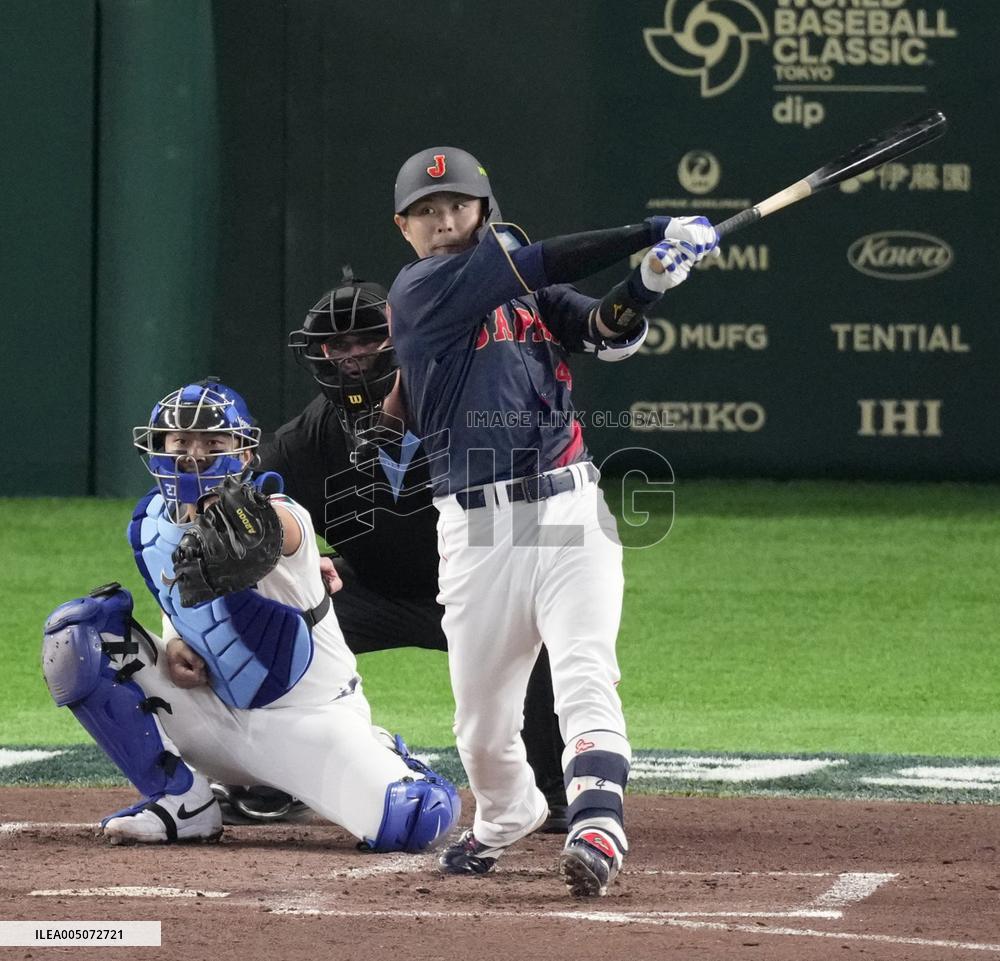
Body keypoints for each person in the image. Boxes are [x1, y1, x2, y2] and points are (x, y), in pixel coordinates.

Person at [387, 146, 719, 896]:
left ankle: (598, 823)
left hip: (569, 506)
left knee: (583, 668)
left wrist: (653, 280)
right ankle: (507, 812)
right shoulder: (421, 291)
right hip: (475, 531)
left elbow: (605, 326)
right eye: (427, 212)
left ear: (484, 209)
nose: (444, 221)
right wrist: (649, 229)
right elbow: (537, 262)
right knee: (480, 728)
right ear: (404, 229)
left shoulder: (528, 292)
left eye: (459, 206)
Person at [41, 380, 459, 851]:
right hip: (212, 719)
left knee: (415, 819)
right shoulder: (152, 523)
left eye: (213, 443)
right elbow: (178, 603)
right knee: (76, 634)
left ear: (243, 455)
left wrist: (238, 520)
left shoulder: (278, 513)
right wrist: (176, 643)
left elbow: (269, 530)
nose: (194, 456)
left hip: (308, 724)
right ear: (159, 448)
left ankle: (379, 752)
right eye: (181, 443)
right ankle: (183, 802)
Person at [248, 271, 569, 832]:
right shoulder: (308, 439)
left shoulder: (468, 405)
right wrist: (296, 562)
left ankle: (557, 793)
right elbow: (251, 514)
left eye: (367, 340)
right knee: (271, 628)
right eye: (338, 346)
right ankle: (273, 776)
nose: (352, 357)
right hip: (373, 589)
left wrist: (562, 608)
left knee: (539, 642)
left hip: (480, 587)